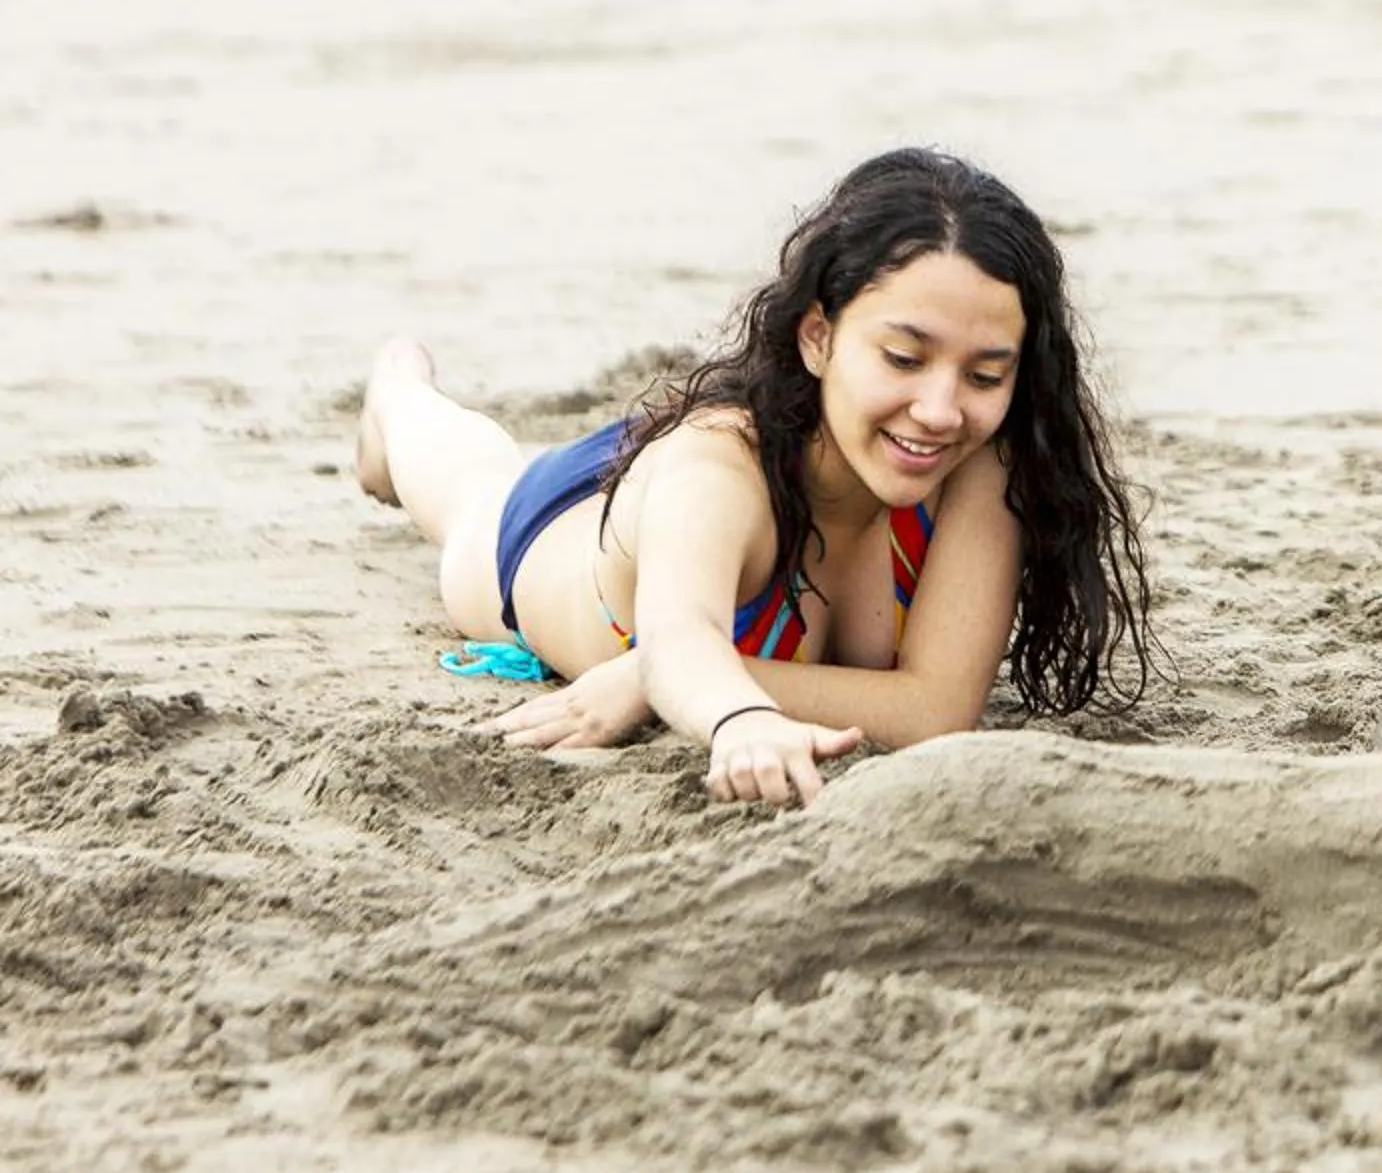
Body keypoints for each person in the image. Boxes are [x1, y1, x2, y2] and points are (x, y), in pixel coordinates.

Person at [355, 146, 1155, 808]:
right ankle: (398, 391)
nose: (941, 410)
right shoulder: (719, 467)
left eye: (985, 374)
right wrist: (736, 716)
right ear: (818, 337)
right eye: (904, 358)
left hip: (693, 481)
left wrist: (650, 676)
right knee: (471, 489)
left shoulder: (980, 459)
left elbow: (935, 710)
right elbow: (681, 634)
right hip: (554, 536)